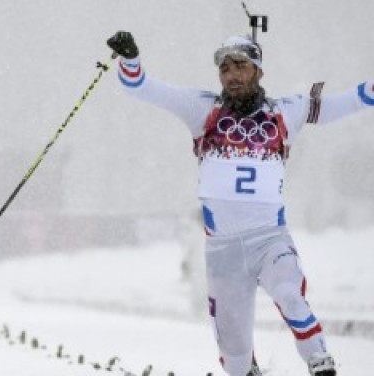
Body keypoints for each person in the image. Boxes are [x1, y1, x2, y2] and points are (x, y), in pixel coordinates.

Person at [105, 31, 373, 376]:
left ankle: (321, 363)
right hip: (224, 253)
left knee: (290, 295)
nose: (232, 75)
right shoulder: (203, 109)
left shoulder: (285, 112)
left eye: (241, 66)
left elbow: (344, 103)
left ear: (259, 70)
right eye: (225, 68)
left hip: (269, 239)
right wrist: (130, 59)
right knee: (236, 361)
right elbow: (139, 87)